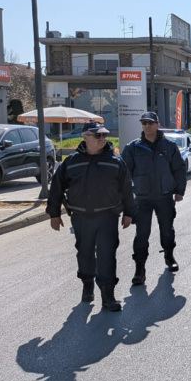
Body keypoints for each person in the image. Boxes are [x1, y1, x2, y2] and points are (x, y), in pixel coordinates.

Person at [46, 120, 136, 311]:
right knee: (85, 253)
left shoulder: (115, 161)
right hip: (81, 217)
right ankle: (87, 284)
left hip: (107, 217)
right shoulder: (71, 163)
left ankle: (108, 296)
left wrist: (129, 213)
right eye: (97, 135)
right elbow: (56, 188)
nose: (102, 139)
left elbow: (128, 189)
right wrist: (54, 214)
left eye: (104, 135)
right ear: (85, 137)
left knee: (107, 256)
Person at [121, 112, 187, 285]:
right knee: (141, 234)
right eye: (144, 123)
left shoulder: (169, 146)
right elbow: (124, 175)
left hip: (164, 196)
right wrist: (125, 199)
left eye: (150, 123)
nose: (147, 126)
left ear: (158, 125)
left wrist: (179, 190)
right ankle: (139, 270)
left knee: (167, 230)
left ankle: (169, 256)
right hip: (142, 198)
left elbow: (179, 169)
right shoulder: (132, 148)